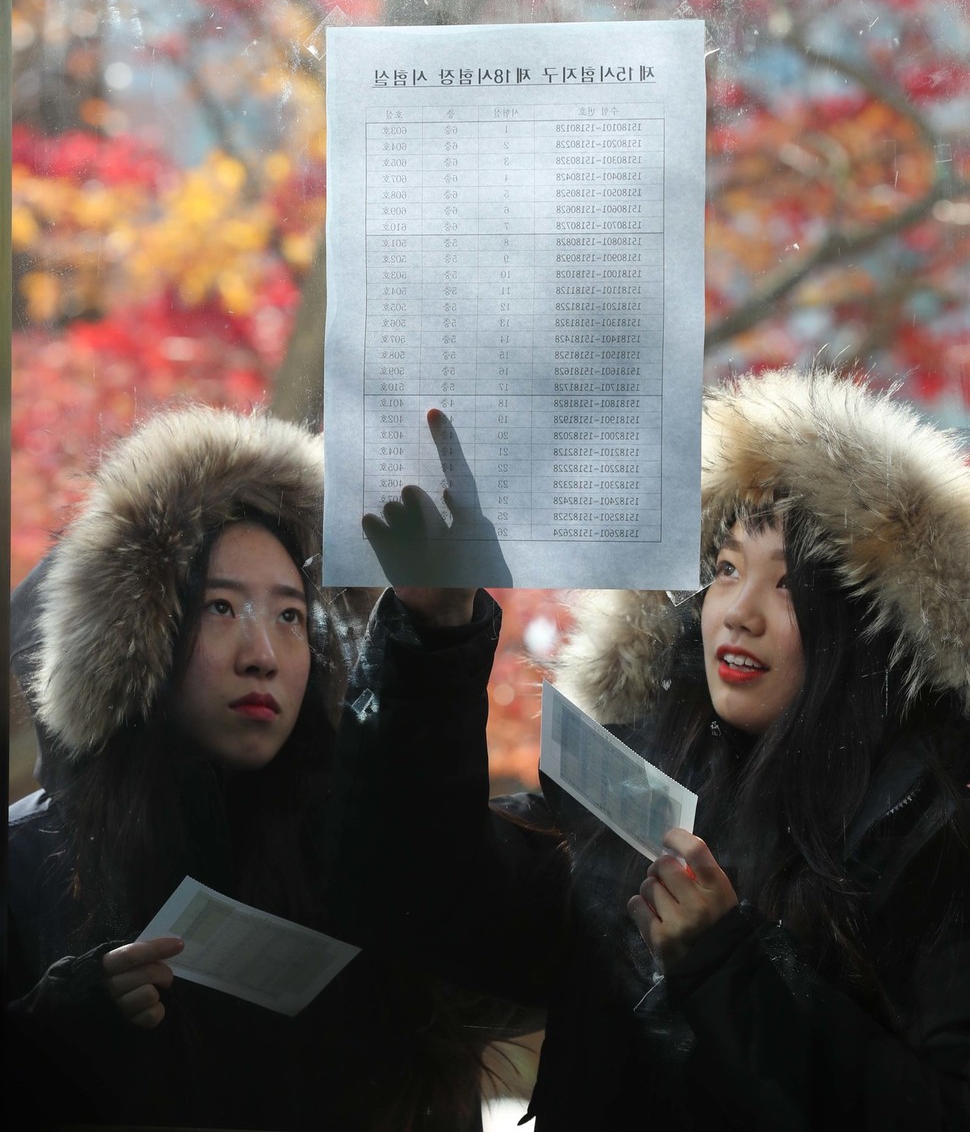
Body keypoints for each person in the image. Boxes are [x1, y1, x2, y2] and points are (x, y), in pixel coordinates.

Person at [327, 366, 970, 1129]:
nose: (739, 612)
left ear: (864, 626)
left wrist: (727, 962)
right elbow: (427, 897)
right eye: (726, 567)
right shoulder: (631, 787)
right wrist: (434, 633)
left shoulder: (925, 823)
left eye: (789, 584)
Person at [6, 404, 510, 1131]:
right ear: (136, 638)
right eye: (219, 607)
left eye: (290, 615)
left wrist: (438, 639)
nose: (262, 654)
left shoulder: (349, 852)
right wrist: (49, 1039)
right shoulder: (25, 864)